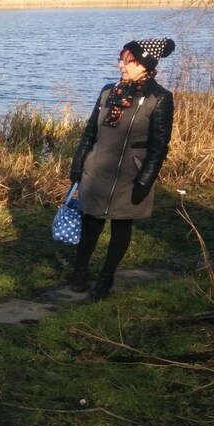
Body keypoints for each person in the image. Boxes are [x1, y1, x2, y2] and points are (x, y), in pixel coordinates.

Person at [67, 37, 176, 299]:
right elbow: (90, 132)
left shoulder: (159, 98)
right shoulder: (108, 92)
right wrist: (78, 164)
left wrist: (144, 181)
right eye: (121, 60)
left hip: (132, 174)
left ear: (144, 65)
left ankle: (106, 277)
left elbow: (159, 146)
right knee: (91, 221)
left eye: (128, 61)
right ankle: (79, 271)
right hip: (98, 168)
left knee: (121, 226)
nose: (121, 66)